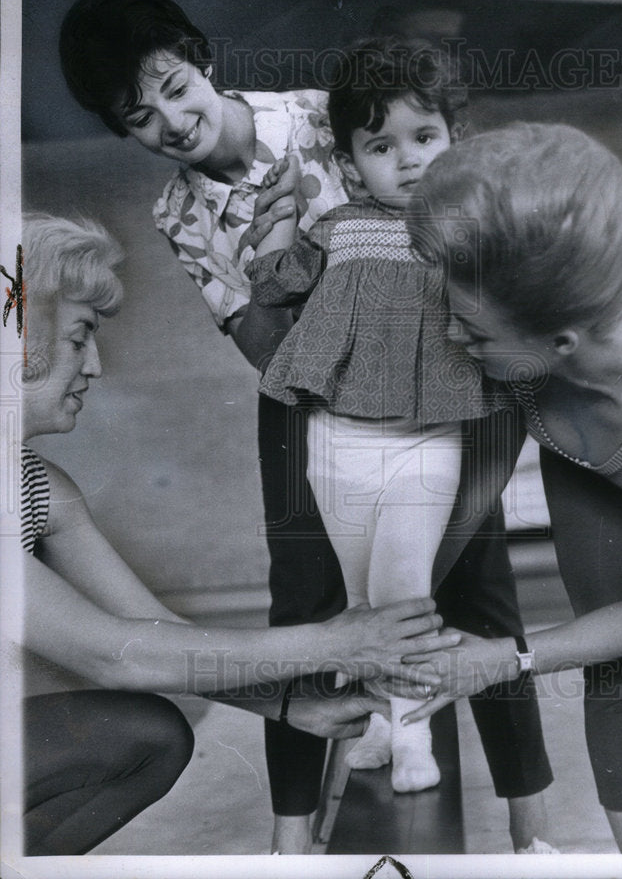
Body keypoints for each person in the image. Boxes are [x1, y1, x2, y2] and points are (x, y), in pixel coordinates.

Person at [58, 0, 553, 853]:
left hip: (434, 367)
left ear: (200, 56)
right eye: (140, 117)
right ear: (122, 129)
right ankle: (290, 845)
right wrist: (277, 262)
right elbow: (257, 340)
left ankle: (530, 835)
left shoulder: (327, 116)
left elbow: (450, 206)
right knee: (304, 603)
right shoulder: (176, 213)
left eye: (176, 87)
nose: (172, 122)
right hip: (302, 390)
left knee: (477, 584)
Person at [19, 213, 452, 855]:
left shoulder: (35, 480)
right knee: (136, 731)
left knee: (151, 738)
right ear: (17, 335)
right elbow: (111, 654)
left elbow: (152, 628)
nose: (97, 366)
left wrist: (285, 708)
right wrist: (334, 642)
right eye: (80, 337)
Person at [404, 123, 622, 854]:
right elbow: (463, 502)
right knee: (611, 664)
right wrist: (391, 617)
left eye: (468, 328)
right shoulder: (525, 351)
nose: (452, 339)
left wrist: (505, 658)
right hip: (589, 446)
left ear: (559, 340)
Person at [245, 37, 511, 795]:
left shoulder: (467, 229)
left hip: (427, 440)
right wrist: (282, 208)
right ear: (351, 161)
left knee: (403, 589)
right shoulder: (338, 229)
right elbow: (270, 284)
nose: (407, 160)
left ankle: (416, 735)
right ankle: (383, 722)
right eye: (381, 146)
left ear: (453, 138)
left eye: (425, 137)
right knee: (363, 606)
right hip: (335, 444)